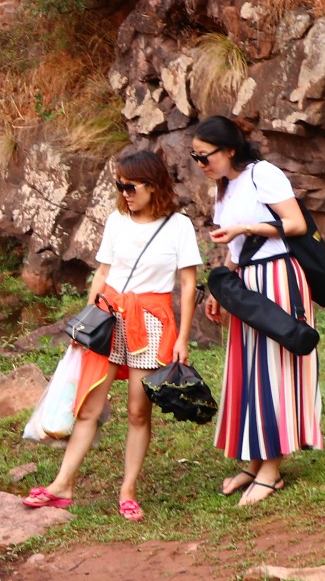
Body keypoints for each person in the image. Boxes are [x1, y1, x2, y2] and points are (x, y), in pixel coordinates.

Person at [23, 149, 202, 521]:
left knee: (139, 411)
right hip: (109, 317)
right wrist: (85, 323)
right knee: (89, 406)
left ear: (154, 187)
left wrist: (183, 338)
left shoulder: (178, 226)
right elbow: (103, 273)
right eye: (119, 186)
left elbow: (187, 285)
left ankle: (128, 490)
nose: (125, 193)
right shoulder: (117, 221)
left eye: (131, 186)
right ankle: (62, 486)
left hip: (152, 321)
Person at [191, 114, 323, 506]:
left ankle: (272, 470)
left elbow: (295, 224)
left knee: (275, 369)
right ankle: (255, 461)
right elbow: (235, 247)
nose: (201, 164)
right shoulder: (224, 186)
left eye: (205, 156)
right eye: (194, 157)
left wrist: (246, 228)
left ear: (229, 150)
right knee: (251, 370)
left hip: (279, 277)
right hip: (247, 282)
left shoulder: (263, 174)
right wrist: (222, 287)